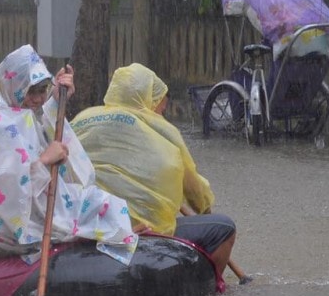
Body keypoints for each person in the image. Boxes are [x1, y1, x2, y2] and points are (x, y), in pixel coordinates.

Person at [0, 45, 138, 265]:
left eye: (42, 90)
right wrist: (45, 160)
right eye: (31, 91)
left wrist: (56, 101)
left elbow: (31, 145)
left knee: (94, 203)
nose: (38, 99)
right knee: (103, 205)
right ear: (14, 86)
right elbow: (2, 185)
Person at [70, 63, 243, 283]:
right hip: (142, 232)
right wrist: (205, 207)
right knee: (224, 229)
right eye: (161, 106)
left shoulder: (82, 118)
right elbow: (197, 193)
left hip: (84, 226)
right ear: (147, 100)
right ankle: (209, 288)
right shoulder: (163, 131)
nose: (162, 112)